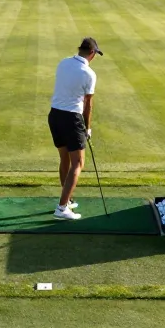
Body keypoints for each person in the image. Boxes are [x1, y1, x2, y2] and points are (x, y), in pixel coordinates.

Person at [47, 37, 102, 220]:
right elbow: (88, 105)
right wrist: (87, 128)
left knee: (65, 159)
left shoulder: (63, 63)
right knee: (78, 163)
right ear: (92, 53)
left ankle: (67, 200)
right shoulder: (89, 74)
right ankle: (62, 208)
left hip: (54, 115)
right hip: (72, 118)